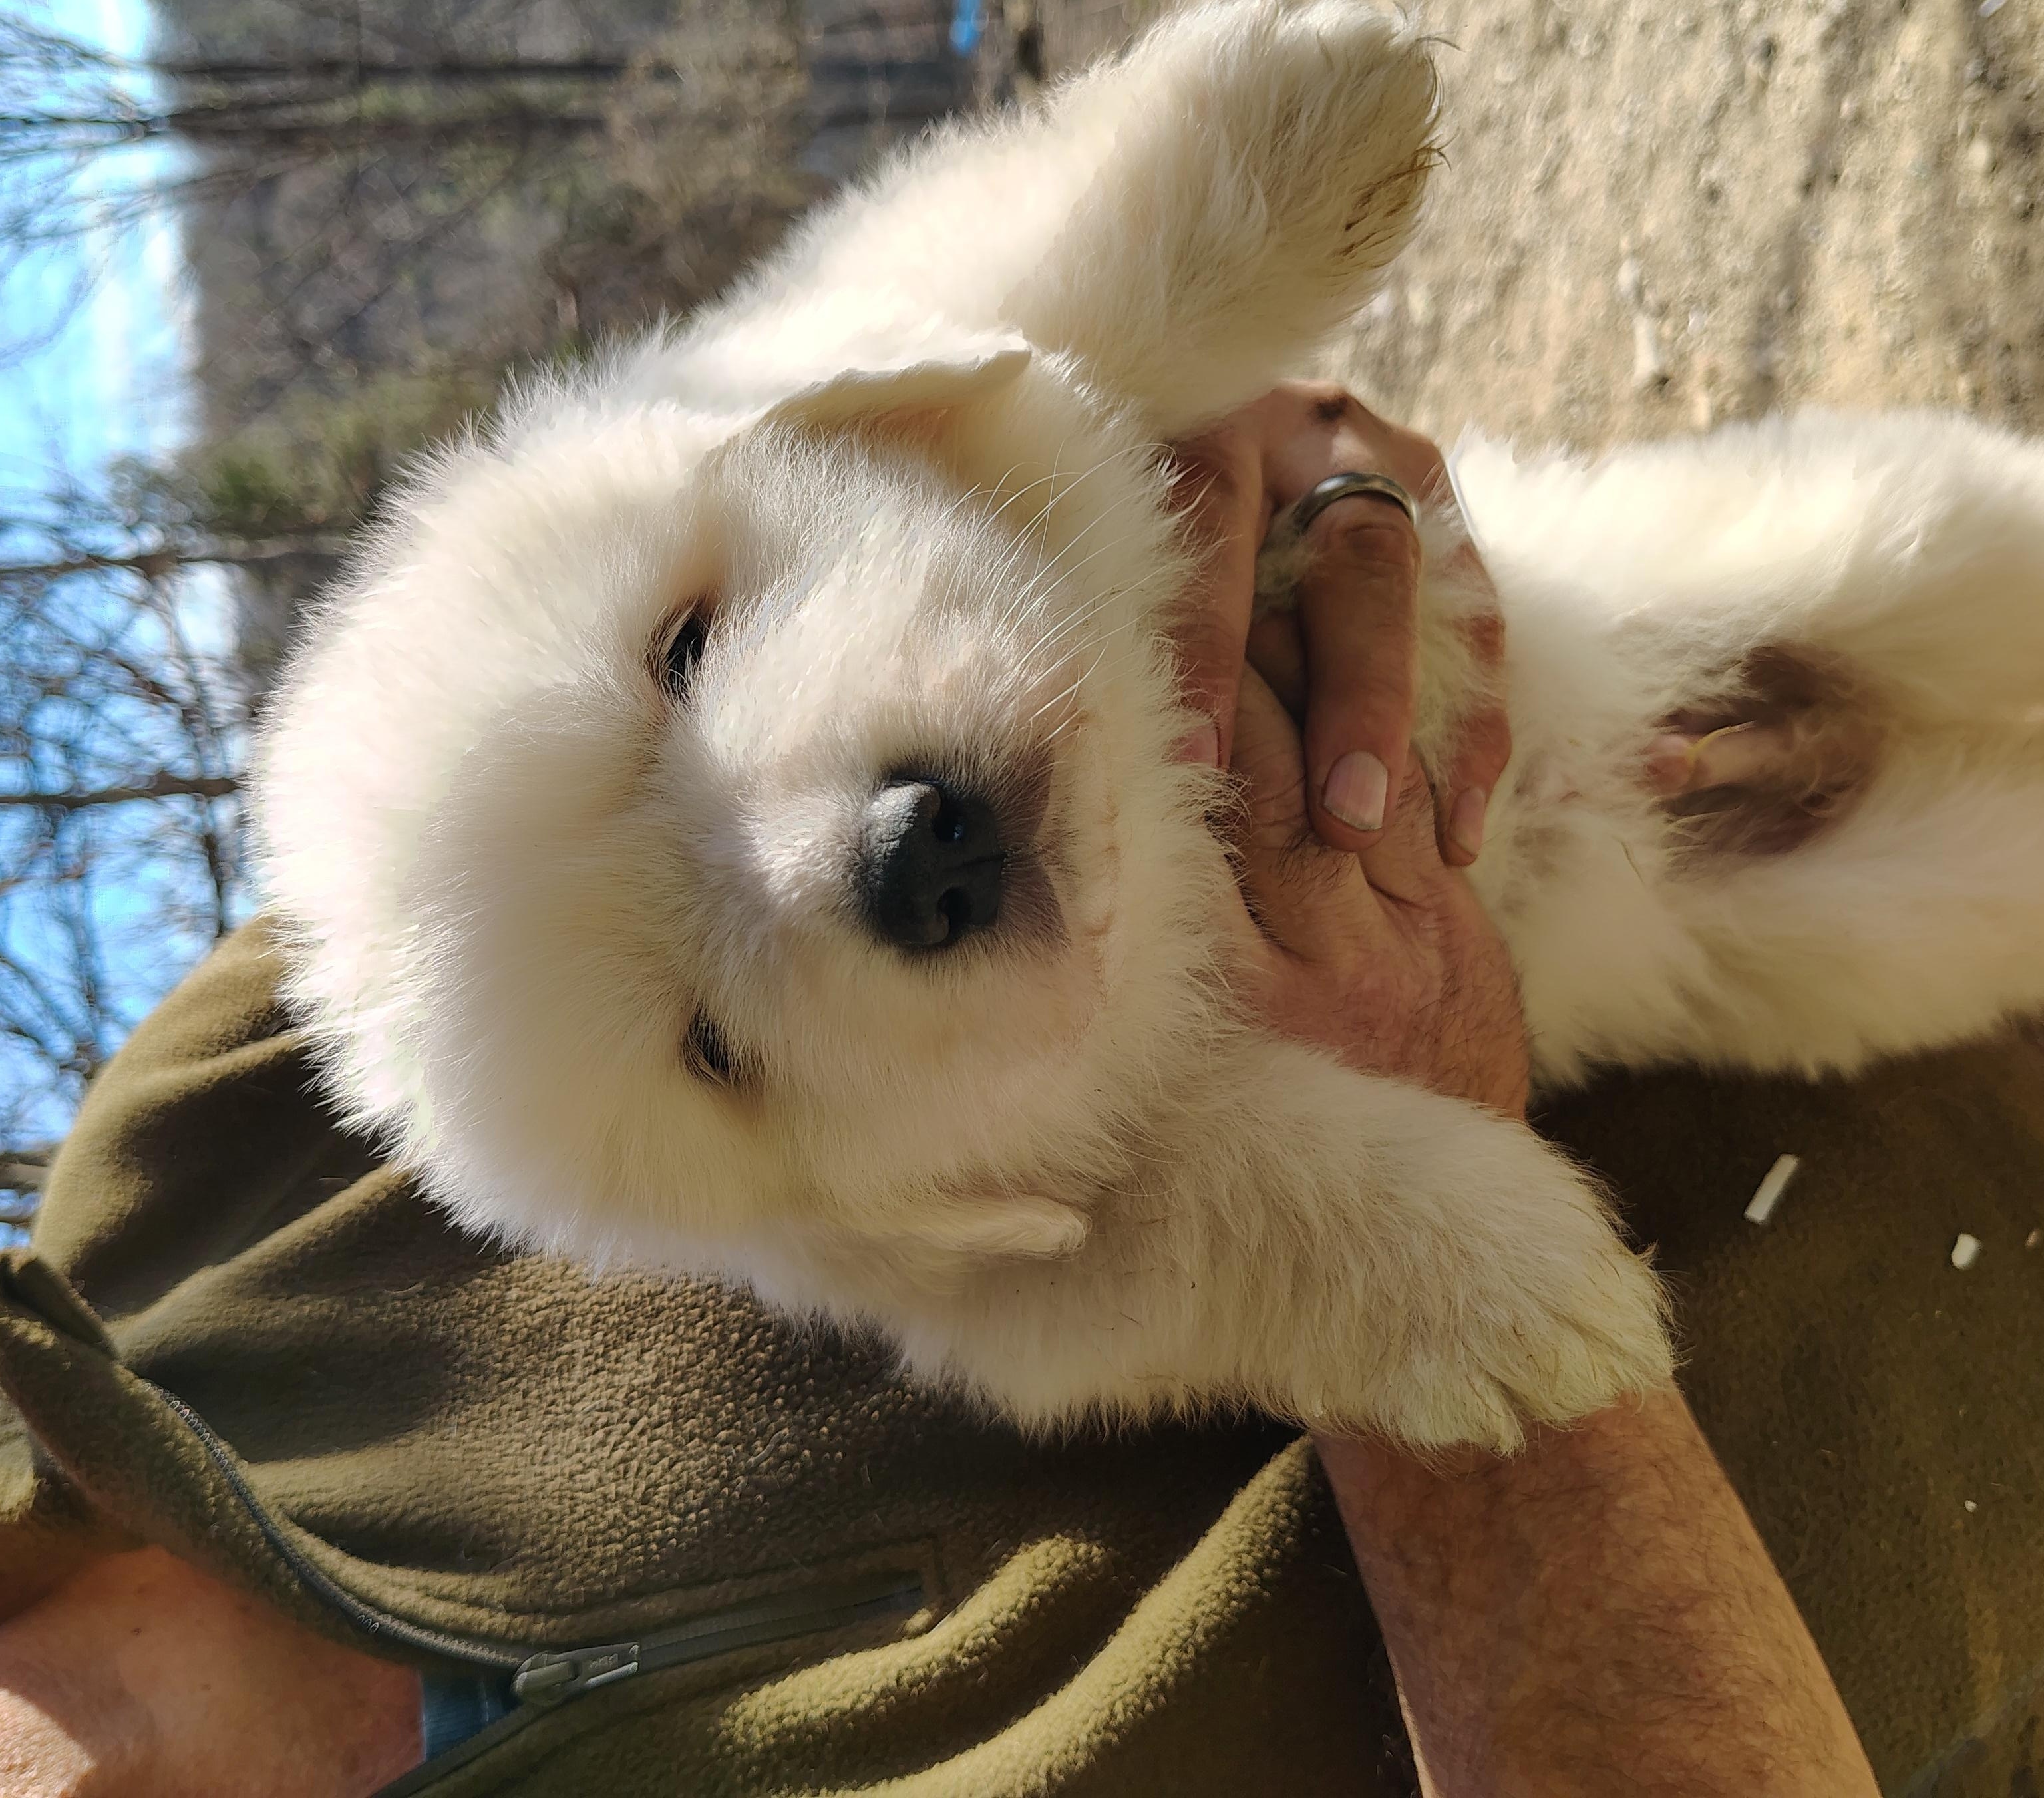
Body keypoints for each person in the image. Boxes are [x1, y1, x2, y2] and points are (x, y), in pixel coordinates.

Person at [1, 387, 2039, 1797]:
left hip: (1722, 654)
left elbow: (745, 479)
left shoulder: (209, 1153)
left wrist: (1185, 434)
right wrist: (1388, 1209)